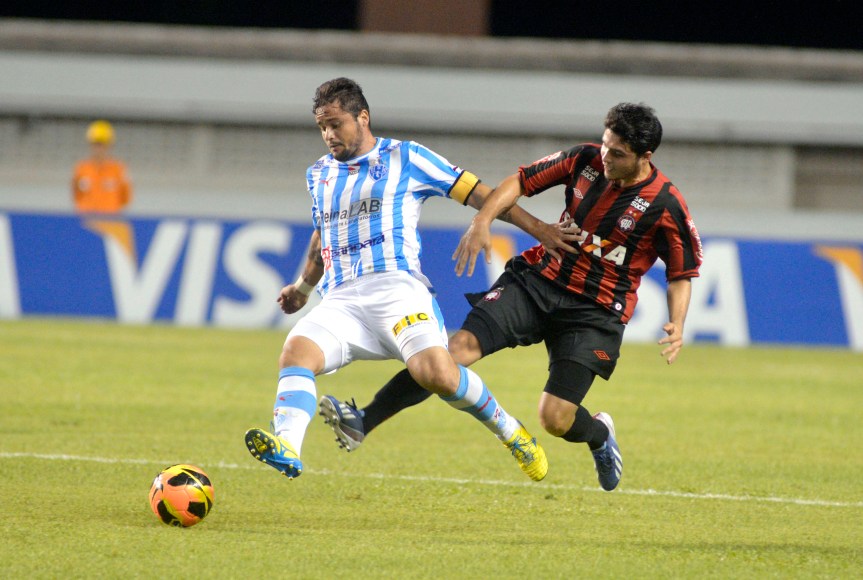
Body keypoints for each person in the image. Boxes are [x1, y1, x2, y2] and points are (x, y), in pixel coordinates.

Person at [319, 102, 703, 492]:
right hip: (538, 283)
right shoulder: (582, 160)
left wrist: (678, 322)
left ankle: (600, 435)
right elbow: (519, 181)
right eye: (606, 145)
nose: (605, 156)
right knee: (452, 353)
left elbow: (682, 272)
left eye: (617, 153)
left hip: (595, 312)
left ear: (645, 157)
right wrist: (482, 219)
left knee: (554, 419)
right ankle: (364, 420)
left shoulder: (666, 204)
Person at [245, 77, 567, 482]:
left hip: (397, 290)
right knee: (295, 354)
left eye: (336, 124)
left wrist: (540, 229)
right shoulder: (319, 175)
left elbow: (482, 193)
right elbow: (321, 237)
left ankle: (512, 433)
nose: (328, 135)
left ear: (363, 117)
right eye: (321, 127)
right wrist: (302, 289)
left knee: (437, 375)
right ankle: (288, 448)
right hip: (342, 300)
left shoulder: (406, 157)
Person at [71, 120, 133, 214]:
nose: (99, 149)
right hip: (86, 221)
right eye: (95, 144)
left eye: (102, 144)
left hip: (110, 221)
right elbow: (76, 196)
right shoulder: (81, 169)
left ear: (109, 146)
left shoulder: (118, 169)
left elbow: (125, 198)